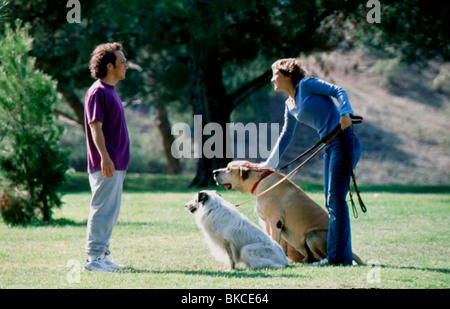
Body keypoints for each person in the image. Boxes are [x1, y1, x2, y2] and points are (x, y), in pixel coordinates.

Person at [250, 58, 362, 266]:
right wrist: (269, 164)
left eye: (275, 74)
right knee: (332, 201)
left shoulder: (306, 85)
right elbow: (286, 135)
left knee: (336, 200)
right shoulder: (289, 104)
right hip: (329, 146)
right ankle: (340, 257)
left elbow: (339, 91)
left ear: (288, 75)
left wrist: (345, 112)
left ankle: (338, 258)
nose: (272, 79)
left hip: (344, 141)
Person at [83, 42, 130, 272]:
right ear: (109, 66)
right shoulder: (98, 92)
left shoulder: (110, 91)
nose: (126, 66)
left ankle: (103, 255)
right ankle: (93, 259)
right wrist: (105, 158)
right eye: (122, 62)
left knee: (110, 212)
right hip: (107, 164)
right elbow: (95, 127)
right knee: (102, 210)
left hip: (117, 163)